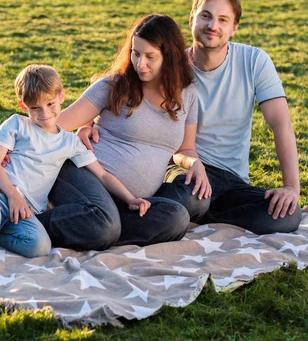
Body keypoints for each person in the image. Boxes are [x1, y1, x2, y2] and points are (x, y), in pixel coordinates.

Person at [0, 65, 150, 257]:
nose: (44, 114)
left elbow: (103, 175)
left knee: (38, 247)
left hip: (25, 210)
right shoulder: (16, 125)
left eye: (50, 104)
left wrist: (130, 198)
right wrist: (13, 195)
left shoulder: (69, 142)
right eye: (35, 108)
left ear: (61, 95)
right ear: (23, 105)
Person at [35, 14, 211, 250]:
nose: (140, 64)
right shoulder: (115, 85)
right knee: (104, 225)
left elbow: (184, 149)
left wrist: (194, 164)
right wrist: (6, 148)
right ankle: (26, 225)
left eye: (150, 57)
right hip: (83, 172)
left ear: (169, 58)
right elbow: (55, 124)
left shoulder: (187, 95)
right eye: (136, 53)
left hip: (128, 200)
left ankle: (96, 224)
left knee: (176, 217)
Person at [152, 0, 302, 234]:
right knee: (192, 199)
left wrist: (291, 188)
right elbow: (123, 87)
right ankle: (192, 213)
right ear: (192, 20)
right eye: (206, 16)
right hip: (187, 170)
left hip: (233, 182)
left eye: (223, 20)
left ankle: (197, 220)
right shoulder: (172, 70)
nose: (213, 26)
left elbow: (281, 125)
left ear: (234, 28)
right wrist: (89, 124)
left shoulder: (254, 61)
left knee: (287, 216)